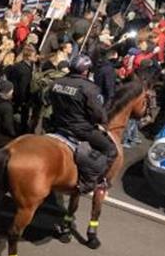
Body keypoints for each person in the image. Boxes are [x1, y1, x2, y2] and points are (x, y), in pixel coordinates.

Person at [47, 54, 117, 192]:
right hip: (80, 130)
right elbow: (98, 114)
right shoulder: (90, 88)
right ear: (86, 71)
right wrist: (103, 120)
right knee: (111, 150)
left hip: (57, 125)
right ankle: (93, 181)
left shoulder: (56, 83)